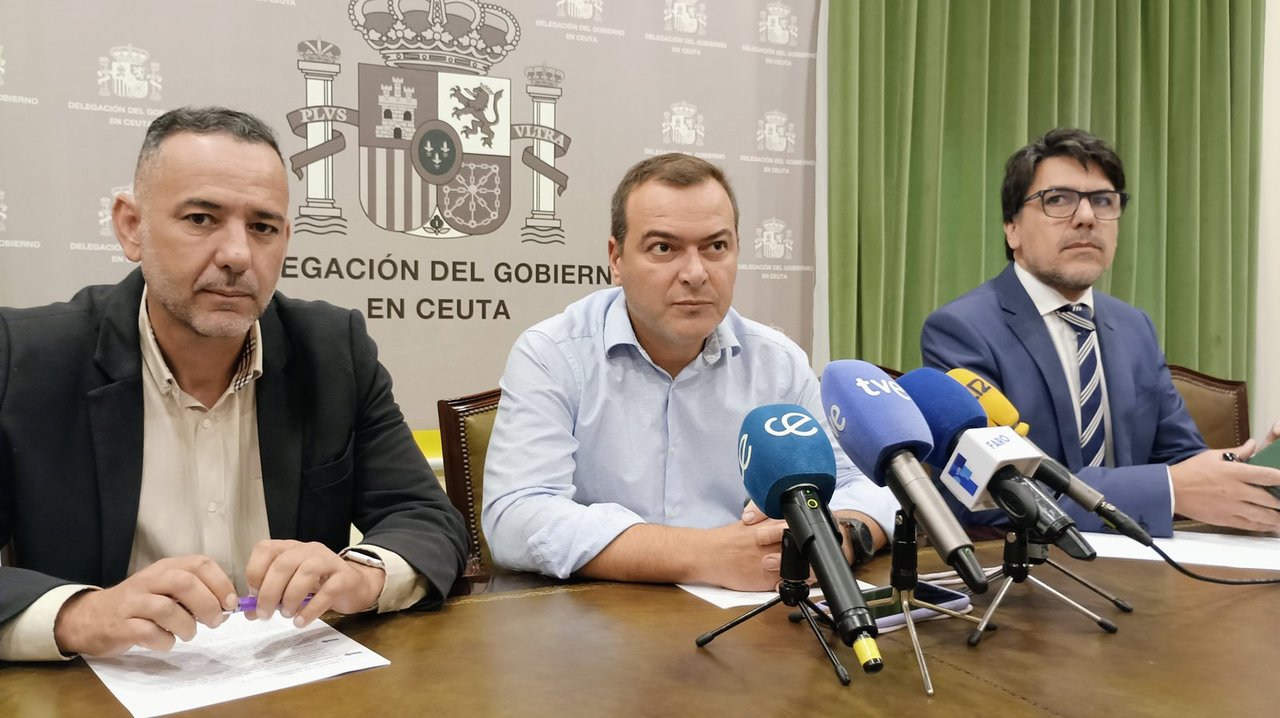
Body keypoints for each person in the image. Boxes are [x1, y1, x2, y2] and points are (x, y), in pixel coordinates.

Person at [0, 107, 468, 661]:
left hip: (295, 685)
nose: (237, 255)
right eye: (201, 218)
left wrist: (362, 573)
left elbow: (428, 519)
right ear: (131, 226)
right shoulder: (26, 358)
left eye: (263, 227)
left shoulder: (332, 349)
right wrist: (77, 615)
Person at [482, 153, 898, 591]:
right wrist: (704, 554)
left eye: (716, 247)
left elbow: (863, 485)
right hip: (600, 620)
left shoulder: (778, 362)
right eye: (664, 248)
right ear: (616, 258)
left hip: (752, 620)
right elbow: (516, 517)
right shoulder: (553, 354)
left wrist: (838, 537)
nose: (696, 274)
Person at [921, 127, 1280, 536]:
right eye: (1057, 200)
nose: (1088, 217)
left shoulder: (1134, 327)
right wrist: (1168, 489)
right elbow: (992, 493)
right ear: (1012, 228)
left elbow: (1185, 464)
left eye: (1103, 201)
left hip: (1145, 567)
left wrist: (1259, 473)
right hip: (1033, 573)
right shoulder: (961, 329)